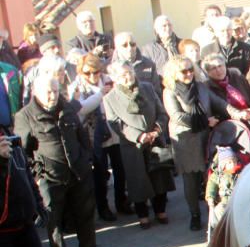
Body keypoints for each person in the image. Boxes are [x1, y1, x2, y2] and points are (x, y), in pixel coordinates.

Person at [16, 76, 100, 247]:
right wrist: (37, 175)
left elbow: (82, 135)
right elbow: (23, 151)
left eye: (55, 91)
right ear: (35, 92)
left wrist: (87, 159)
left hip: (78, 171)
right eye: (48, 92)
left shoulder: (67, 107)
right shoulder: (25, 116)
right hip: (50, 176)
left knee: (85, 214)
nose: (53, 95)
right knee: (53, 220)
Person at [102, 61, 174, 229]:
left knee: (159, 177)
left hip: (155, 139)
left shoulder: (147, 88)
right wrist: (139, 136)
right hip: (132, 145)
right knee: (138, 180)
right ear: (114, 78)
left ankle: (160, 210)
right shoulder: (110, 98)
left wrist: (157, 130)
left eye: (128, 72)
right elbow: (116, 124)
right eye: (122, 75)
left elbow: (161, 111)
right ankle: (143, 215)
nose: (127, 77)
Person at [162, 56, 228, 231]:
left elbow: (220, 103)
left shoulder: (201, 87)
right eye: (184, 71)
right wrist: (205, 121)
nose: (189, 73)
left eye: (191, 69)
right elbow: (177, 116)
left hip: (206, 139)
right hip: (185, 141)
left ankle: (213, 214)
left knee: (211, 177)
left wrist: (238, 113)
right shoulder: (170, 91)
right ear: (174, 73)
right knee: (190, 181)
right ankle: (195, 215)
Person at [68, 54, 125, 222]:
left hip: (113, 131)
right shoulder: (76, 87)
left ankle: (121, 201)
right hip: (92, 136)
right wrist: (101, 94)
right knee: (100, 174)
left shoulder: (109, 80)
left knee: (120, 169)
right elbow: (82, 108)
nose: (93, 76)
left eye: (96, 72)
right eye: (88, 73)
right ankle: (103, 207)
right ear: (81, 72)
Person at [203, 53, 250, 129]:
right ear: (208, 72)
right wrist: (239, 114)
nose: (218, 70)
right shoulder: (207, 88)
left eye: (220, 66)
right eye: (213, 68)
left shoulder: (237, 77)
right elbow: (213, 114)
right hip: (228, 129)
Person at [205, 146, 244, 240]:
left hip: (240, 200)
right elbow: (211, 186)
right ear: (223, 164)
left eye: (234, 161)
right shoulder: (218, 176)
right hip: (226, 201)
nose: (233, 164)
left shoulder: (242, 172)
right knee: (219, 210)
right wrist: (210, 197)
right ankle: (225, 230)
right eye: (230, 162)